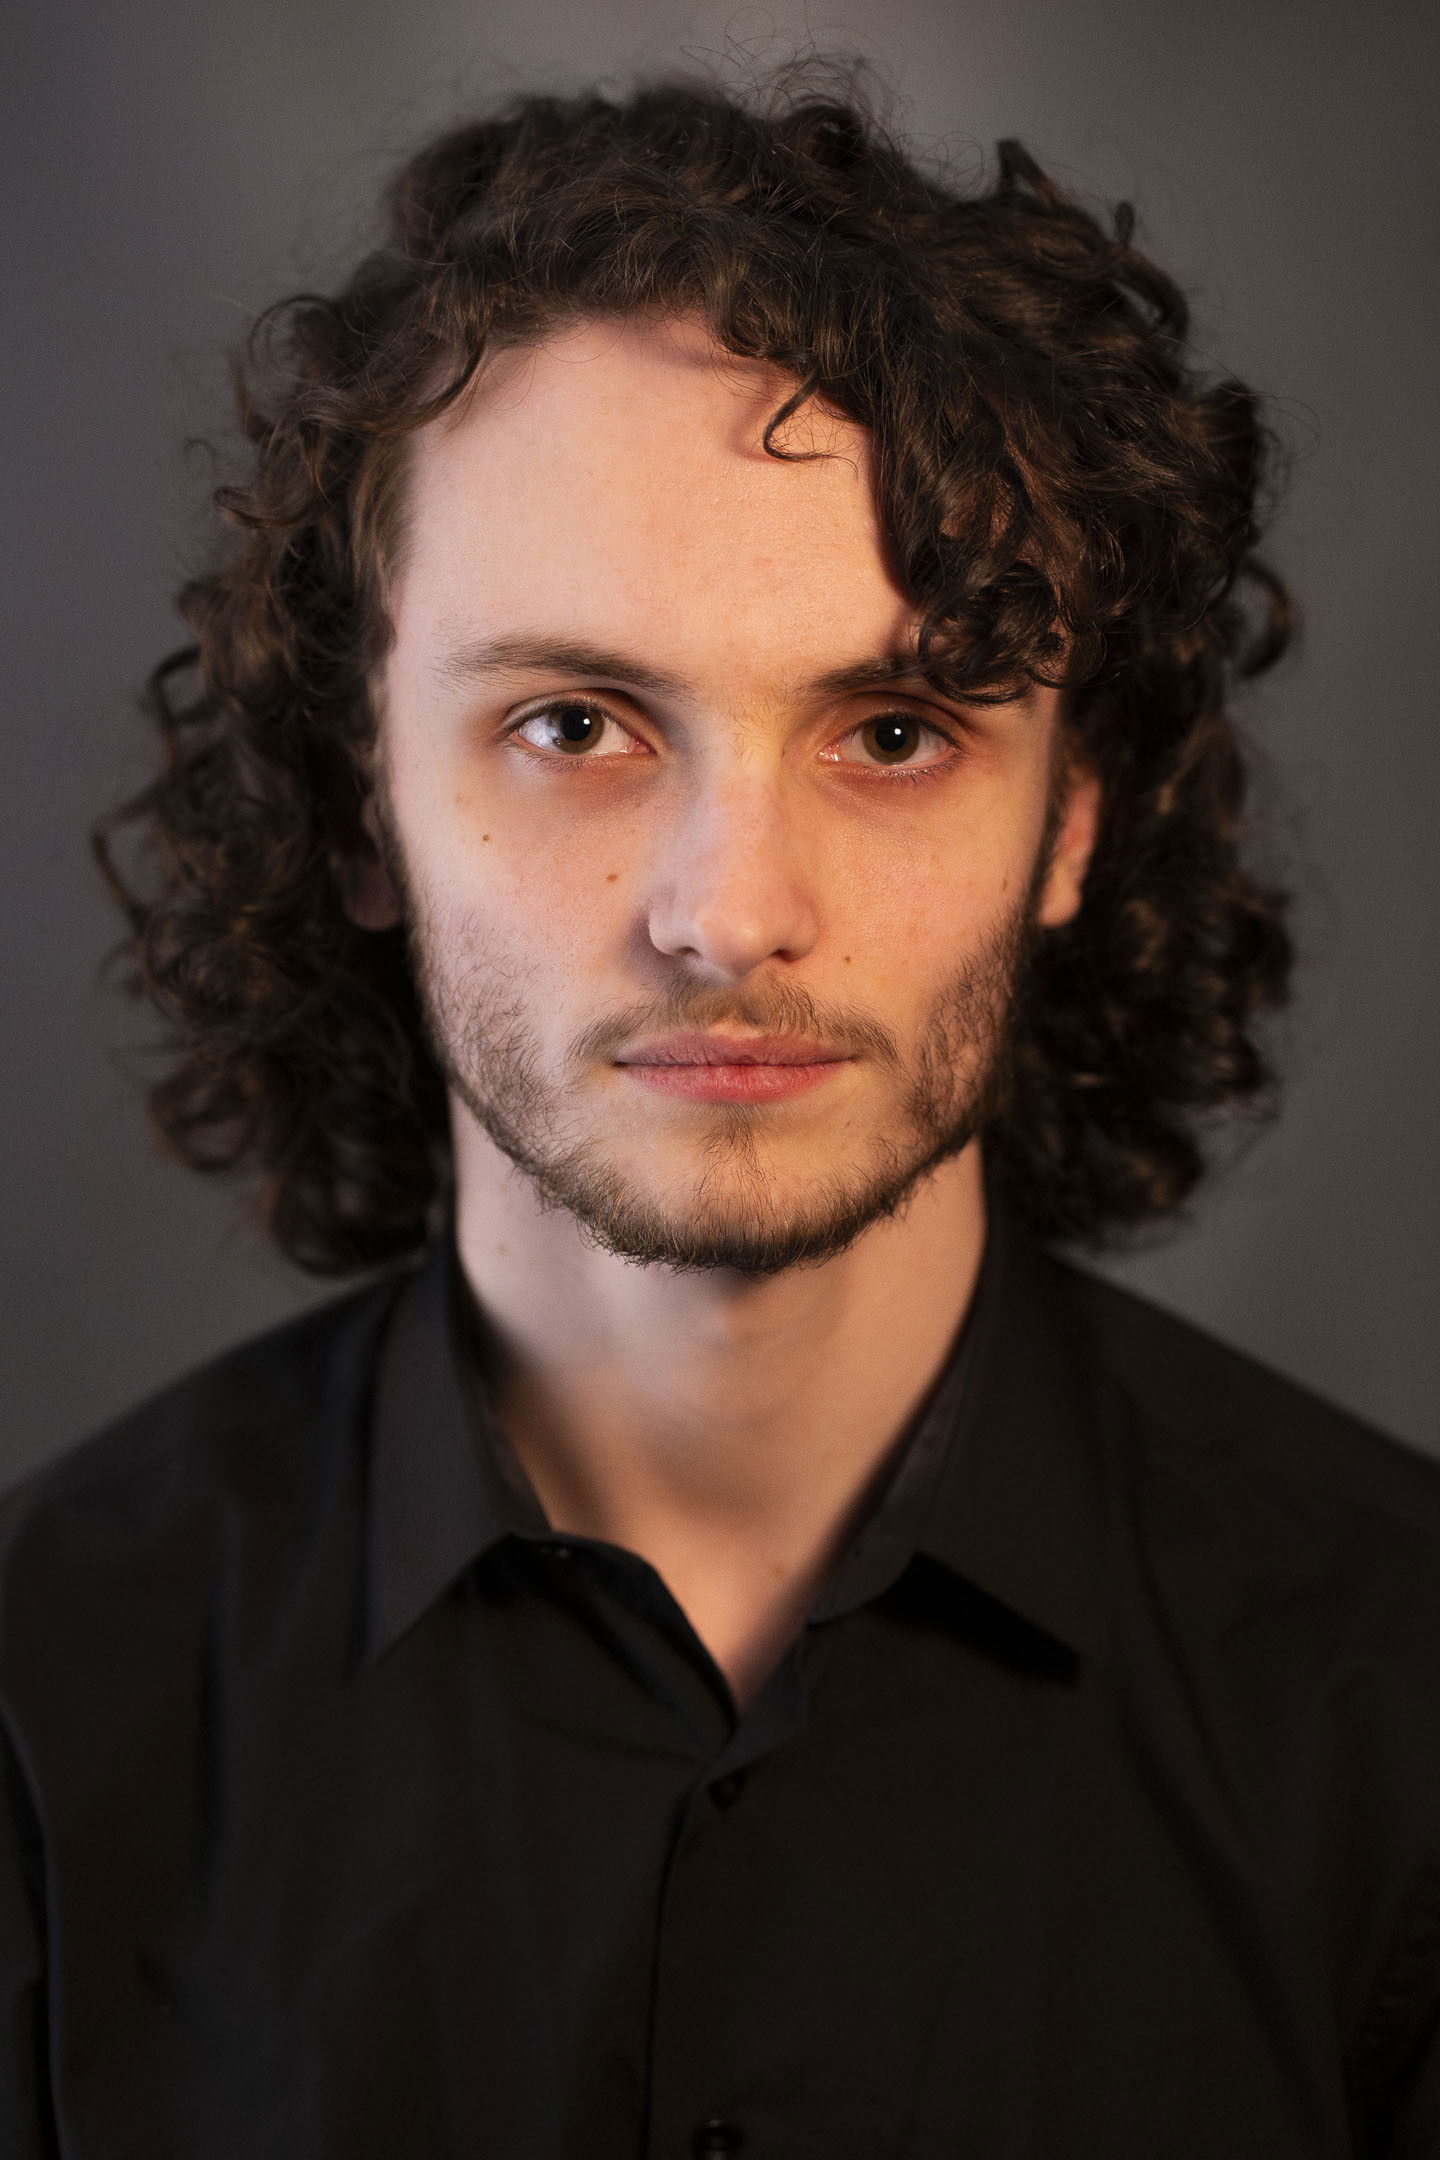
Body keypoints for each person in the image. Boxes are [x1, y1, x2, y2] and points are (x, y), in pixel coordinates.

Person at [2, 65, 1437, 2160]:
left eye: (898, 730)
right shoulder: (38, 1707)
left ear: (1073, 823)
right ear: (360, 811)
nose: (732, 912)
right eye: (574, 724)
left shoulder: (1405, 1705)